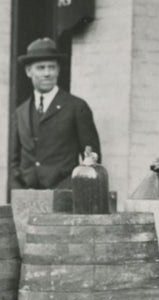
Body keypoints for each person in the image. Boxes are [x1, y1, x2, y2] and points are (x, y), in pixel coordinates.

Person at [9, 37, 101, 190]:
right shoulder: (21, 112)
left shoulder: (76, 107)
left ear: (58, 70)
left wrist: (71, 189)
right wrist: (19, 188)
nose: (47, 73)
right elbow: (14, 161)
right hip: (28, 195)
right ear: (28, 71)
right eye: (41, 68)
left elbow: (92, 160)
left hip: (64, 194)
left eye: (52, 67)